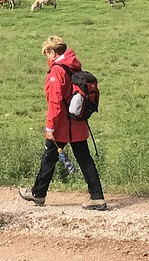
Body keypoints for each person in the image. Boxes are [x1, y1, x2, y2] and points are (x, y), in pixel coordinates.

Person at [18, 36, 107, 211]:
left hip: (62, 125)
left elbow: (55, 102)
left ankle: (38, 194)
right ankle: (97, 197)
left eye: (47, 54)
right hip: (77, 123)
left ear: (52, 52)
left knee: (48, 157)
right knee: (84, 159)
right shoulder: (74, 66)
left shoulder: (57, 71)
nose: (47, 58)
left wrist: (50, 127)